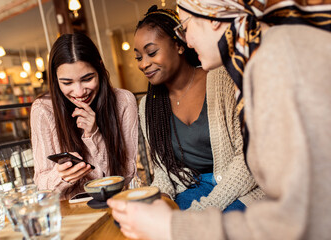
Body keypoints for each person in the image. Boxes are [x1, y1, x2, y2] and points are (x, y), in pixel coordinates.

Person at [108, 0, 331, 239]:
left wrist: (175, 226)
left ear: (213, 17)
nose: (188, 40)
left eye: (185, 26)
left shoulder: (271, 60)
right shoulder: (259, 59)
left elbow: (306, 218)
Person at [135, 5, 263, 212]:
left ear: (179, 45)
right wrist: (162, 198)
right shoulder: (148, 106)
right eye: (139, 57)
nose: (143, 64)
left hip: (241, 188)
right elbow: (163, 170)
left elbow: (248, 160)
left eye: (151, 52)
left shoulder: (224, 78)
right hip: (191, 188)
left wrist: (208, 207)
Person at [31, 33, 138, 200]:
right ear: (55, 79)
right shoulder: (43, 109)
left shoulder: (124, 101)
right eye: (67, 83)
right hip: (69, 214)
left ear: (100, 68)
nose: (80, 92)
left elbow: (127, 174)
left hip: (112, 205)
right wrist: (62, 177)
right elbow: (41, 184)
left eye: (87, 79)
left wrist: (94, 135)